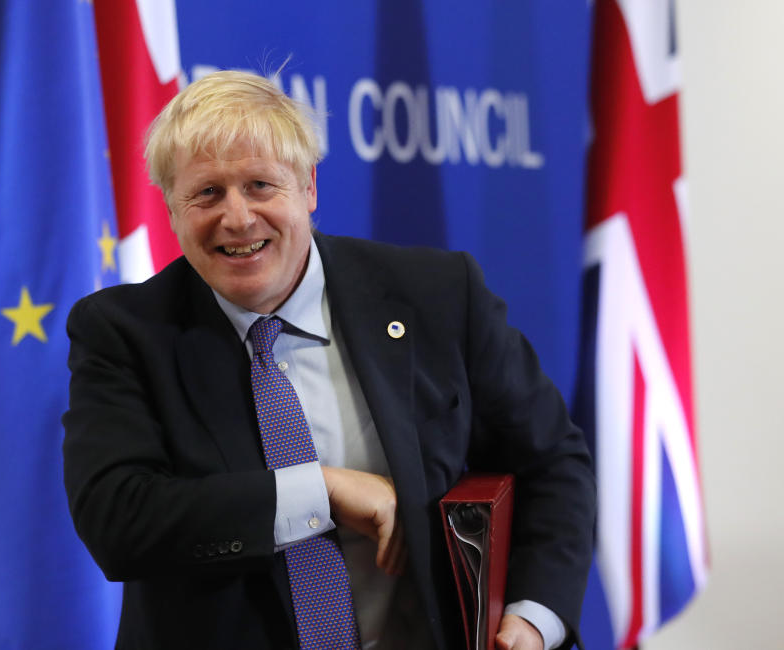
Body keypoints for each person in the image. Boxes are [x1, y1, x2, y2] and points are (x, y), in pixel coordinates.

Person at [63, 70, 595, 650]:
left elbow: (552, 464)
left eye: (261, 185)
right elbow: (117, 520)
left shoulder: (437, 295)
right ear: (170, 209)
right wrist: (322, 491)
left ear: (309, 187)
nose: (237, 218)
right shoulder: (125, 331)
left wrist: (532, 618)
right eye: (206, 193)